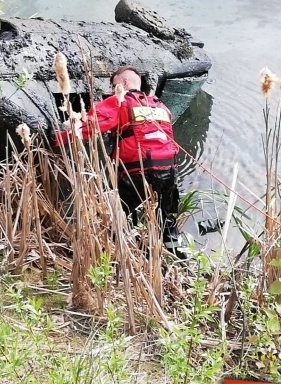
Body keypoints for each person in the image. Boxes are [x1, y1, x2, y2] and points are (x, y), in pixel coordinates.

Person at [54, 65, 184, 256]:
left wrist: (55, 139)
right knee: (167, 218)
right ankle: (178, 256)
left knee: (119, 216)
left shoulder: (120, 101)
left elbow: (88, 127)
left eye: (114, 85)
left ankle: (125, 255)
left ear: (123, 83)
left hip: (136, 171)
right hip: (169, 171)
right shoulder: (160, 106)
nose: (112, 90)